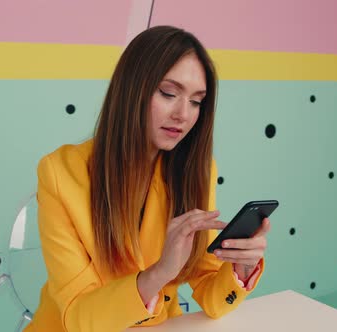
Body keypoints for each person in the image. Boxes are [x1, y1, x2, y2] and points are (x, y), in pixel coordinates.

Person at [24, 25, 271, 332]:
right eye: (169, 93)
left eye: (196, 101)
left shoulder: (197, 170)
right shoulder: (59, 173)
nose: (183, 114)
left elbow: (210, 290)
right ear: (131, 89)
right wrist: (159, 273)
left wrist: (241, 266)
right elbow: (77, 316)